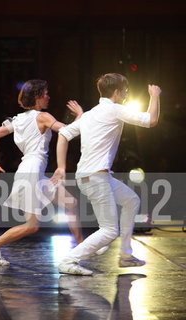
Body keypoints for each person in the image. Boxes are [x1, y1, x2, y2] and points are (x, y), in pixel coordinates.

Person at [52, 73, 161, 275]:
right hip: (95, 177)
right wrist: (155, 96)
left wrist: (60, 166)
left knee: (131, 200)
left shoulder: (90, 114)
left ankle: (126, 255)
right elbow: (151, 120)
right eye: (126, 91)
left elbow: (64, 134)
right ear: (117, 92)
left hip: (96, 176)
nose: (127, 94)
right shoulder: (114, 110)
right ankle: (68, 260)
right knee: (110, 230)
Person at [0, 79, 84, 266]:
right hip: (31, 173)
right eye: (46, 93)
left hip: (34, 173)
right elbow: (68, 131)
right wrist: (80, 116)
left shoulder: (19, 119)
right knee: (31, 225)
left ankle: (82, 249)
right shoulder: (42, 116)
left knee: (71, 203)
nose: (48, 97)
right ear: (37, 96)